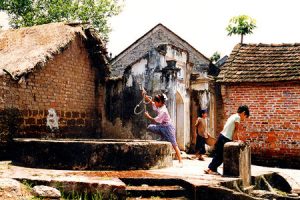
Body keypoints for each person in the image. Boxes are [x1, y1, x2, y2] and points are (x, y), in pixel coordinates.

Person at [204, 105, 250, 175]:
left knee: (218, 154)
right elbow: (236, 130)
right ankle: (211, 169)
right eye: (245, 116)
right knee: (221, 155)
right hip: (225, 138)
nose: (244, 119)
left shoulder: (233, 116)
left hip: (221, 136)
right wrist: (237, 140)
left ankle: (211, 169)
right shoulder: (238, 117)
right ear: (243, 113)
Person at [143, 91, 183, 166]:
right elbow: (152, 103)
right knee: (149, 127)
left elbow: (155, 120)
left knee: (174, 145)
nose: (155, 103)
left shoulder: (163, 111)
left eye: (156, 102)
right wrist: (146, 97)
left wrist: (148, 116)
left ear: (160, 102)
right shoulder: (160, 105)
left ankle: (180, 161)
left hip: (168, 128)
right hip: (162, 126)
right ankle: (163, 137)